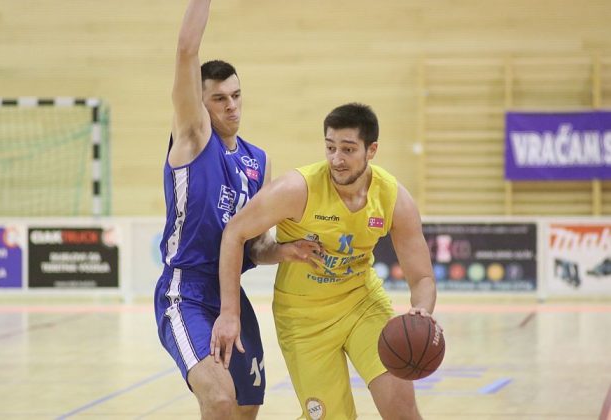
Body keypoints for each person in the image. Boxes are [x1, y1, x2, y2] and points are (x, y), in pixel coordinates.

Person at [214, 103, 438, 419]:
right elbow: (234, 233)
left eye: (348, 149)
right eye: (330, 147)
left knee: (402, 410)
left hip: (362, 304)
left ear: (371, 150)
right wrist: (229, 312)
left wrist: (422, 311)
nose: (336, 159)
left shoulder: (393, 198)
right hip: (303, 318)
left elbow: (422, 277)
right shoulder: (296, 189)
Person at [154, 1, 320, 419]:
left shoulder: (258, 160)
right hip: (185, 292)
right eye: (219, 98)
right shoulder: (193, 136)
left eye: (236, 95)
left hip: (230, 293)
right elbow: (186, 51)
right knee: (220, 398)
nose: (231, 105)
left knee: (246, 407)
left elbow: (255, 247)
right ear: (200, 103)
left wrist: (284, 251)